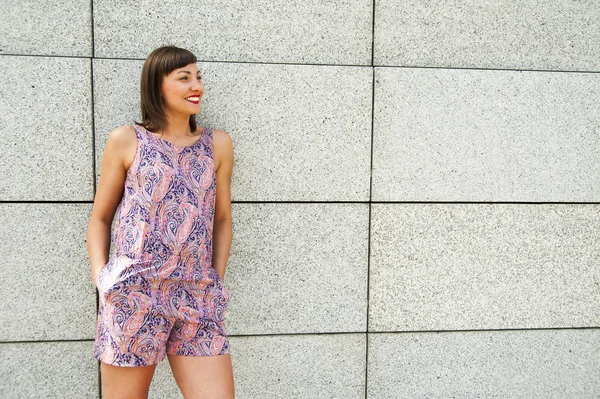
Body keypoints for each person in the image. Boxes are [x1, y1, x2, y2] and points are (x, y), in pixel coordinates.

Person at [86, 45, 235, 398]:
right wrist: (104, 280)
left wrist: (214, 279)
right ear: (157, 85)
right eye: (184, 77)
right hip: (134, 293)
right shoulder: (126, 140)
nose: (195, 84)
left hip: (196, 295)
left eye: (198, 76)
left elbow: (223, 220)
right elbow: (99, 218)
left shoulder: (218, 145)